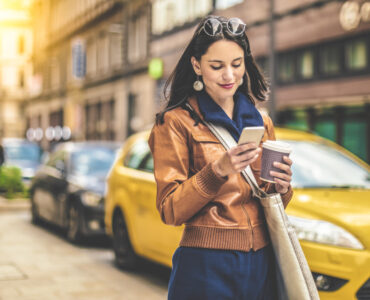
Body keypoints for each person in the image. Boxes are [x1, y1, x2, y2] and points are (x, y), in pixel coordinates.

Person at [148, 15, 293, 300]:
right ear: (197, 65)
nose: (229, 76)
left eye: (236, 64)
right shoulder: (175, 122)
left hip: (262, 261)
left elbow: (271, 201)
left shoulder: (261, 122)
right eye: (217, 66)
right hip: (205, 266)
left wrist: (282, 186)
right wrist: (218, 170)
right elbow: (170, 209)